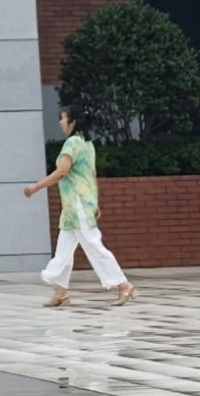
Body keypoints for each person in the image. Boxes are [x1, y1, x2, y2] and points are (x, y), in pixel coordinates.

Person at [24, 109, 136, 307]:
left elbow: (62, 171)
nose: (60, 122)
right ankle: (61, 292)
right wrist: (95, 201)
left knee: (93, 245)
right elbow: (91, 175)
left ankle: (124, 285)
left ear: (73, 122)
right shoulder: (87, 144)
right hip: (74, 206)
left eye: (63, 118)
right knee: (63, 250)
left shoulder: (73, 143)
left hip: (78, 205)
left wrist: (36, 187)